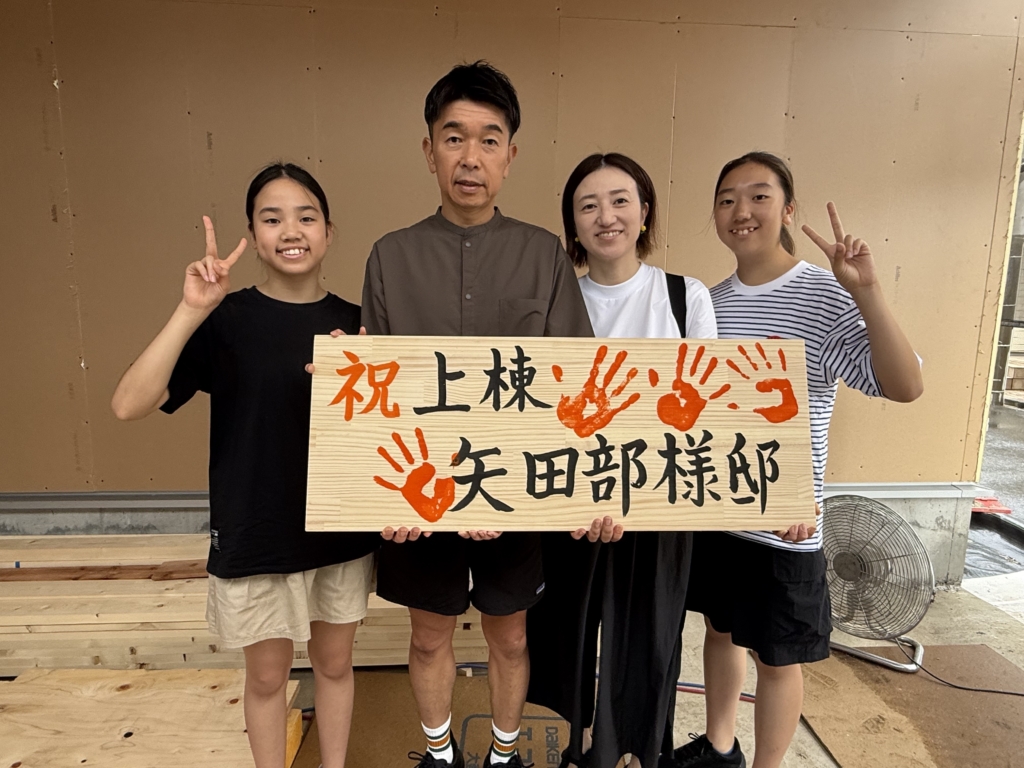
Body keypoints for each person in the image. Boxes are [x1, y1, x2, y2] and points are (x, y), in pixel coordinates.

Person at [360, 61, 600, 768]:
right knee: (429, 635)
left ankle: (503, 755)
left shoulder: (543, 255)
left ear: (510, 155)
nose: (471, 157)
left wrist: (508, 491)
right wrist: (387, 495)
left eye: (489, 140)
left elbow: (572, 387)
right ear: (429, 150)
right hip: (420, 491)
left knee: (511, 636)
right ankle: (438, 754)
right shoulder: (391, 256)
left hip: (517, 492)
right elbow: (374, 393)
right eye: (454, 137)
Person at [110, 163, 378, 768]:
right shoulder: (225, 319)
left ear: (329, 231)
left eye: (306, 216)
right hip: (256, 529)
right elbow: (128, 404)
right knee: (266, 677)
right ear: (253, 236)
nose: (292, 231)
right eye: (272, 218)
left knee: (336, 664)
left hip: (338, 530)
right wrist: (191, 310)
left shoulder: (361, 323)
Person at [669, 152, 923, 768]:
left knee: (778, 658)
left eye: (759, 196)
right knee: (720, 632)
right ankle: (720, 747)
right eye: (727, 199)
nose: (742, 210)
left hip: (786, 522)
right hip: (716, 514)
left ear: (788, 209)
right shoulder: (708, 303)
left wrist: (867, 292)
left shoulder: (826, 294)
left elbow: (905, 386)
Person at [526, 153, 716, 768]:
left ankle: (638, 753)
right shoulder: (557, 301)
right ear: (572, 226)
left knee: (651, 637)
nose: (605, 217)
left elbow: (710, 407)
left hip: (660, 504)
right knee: (567, 631)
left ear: (645, 212)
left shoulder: (685, 297)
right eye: (588, 206)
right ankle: (577, 745)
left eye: (619, 201)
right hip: (571, 505)